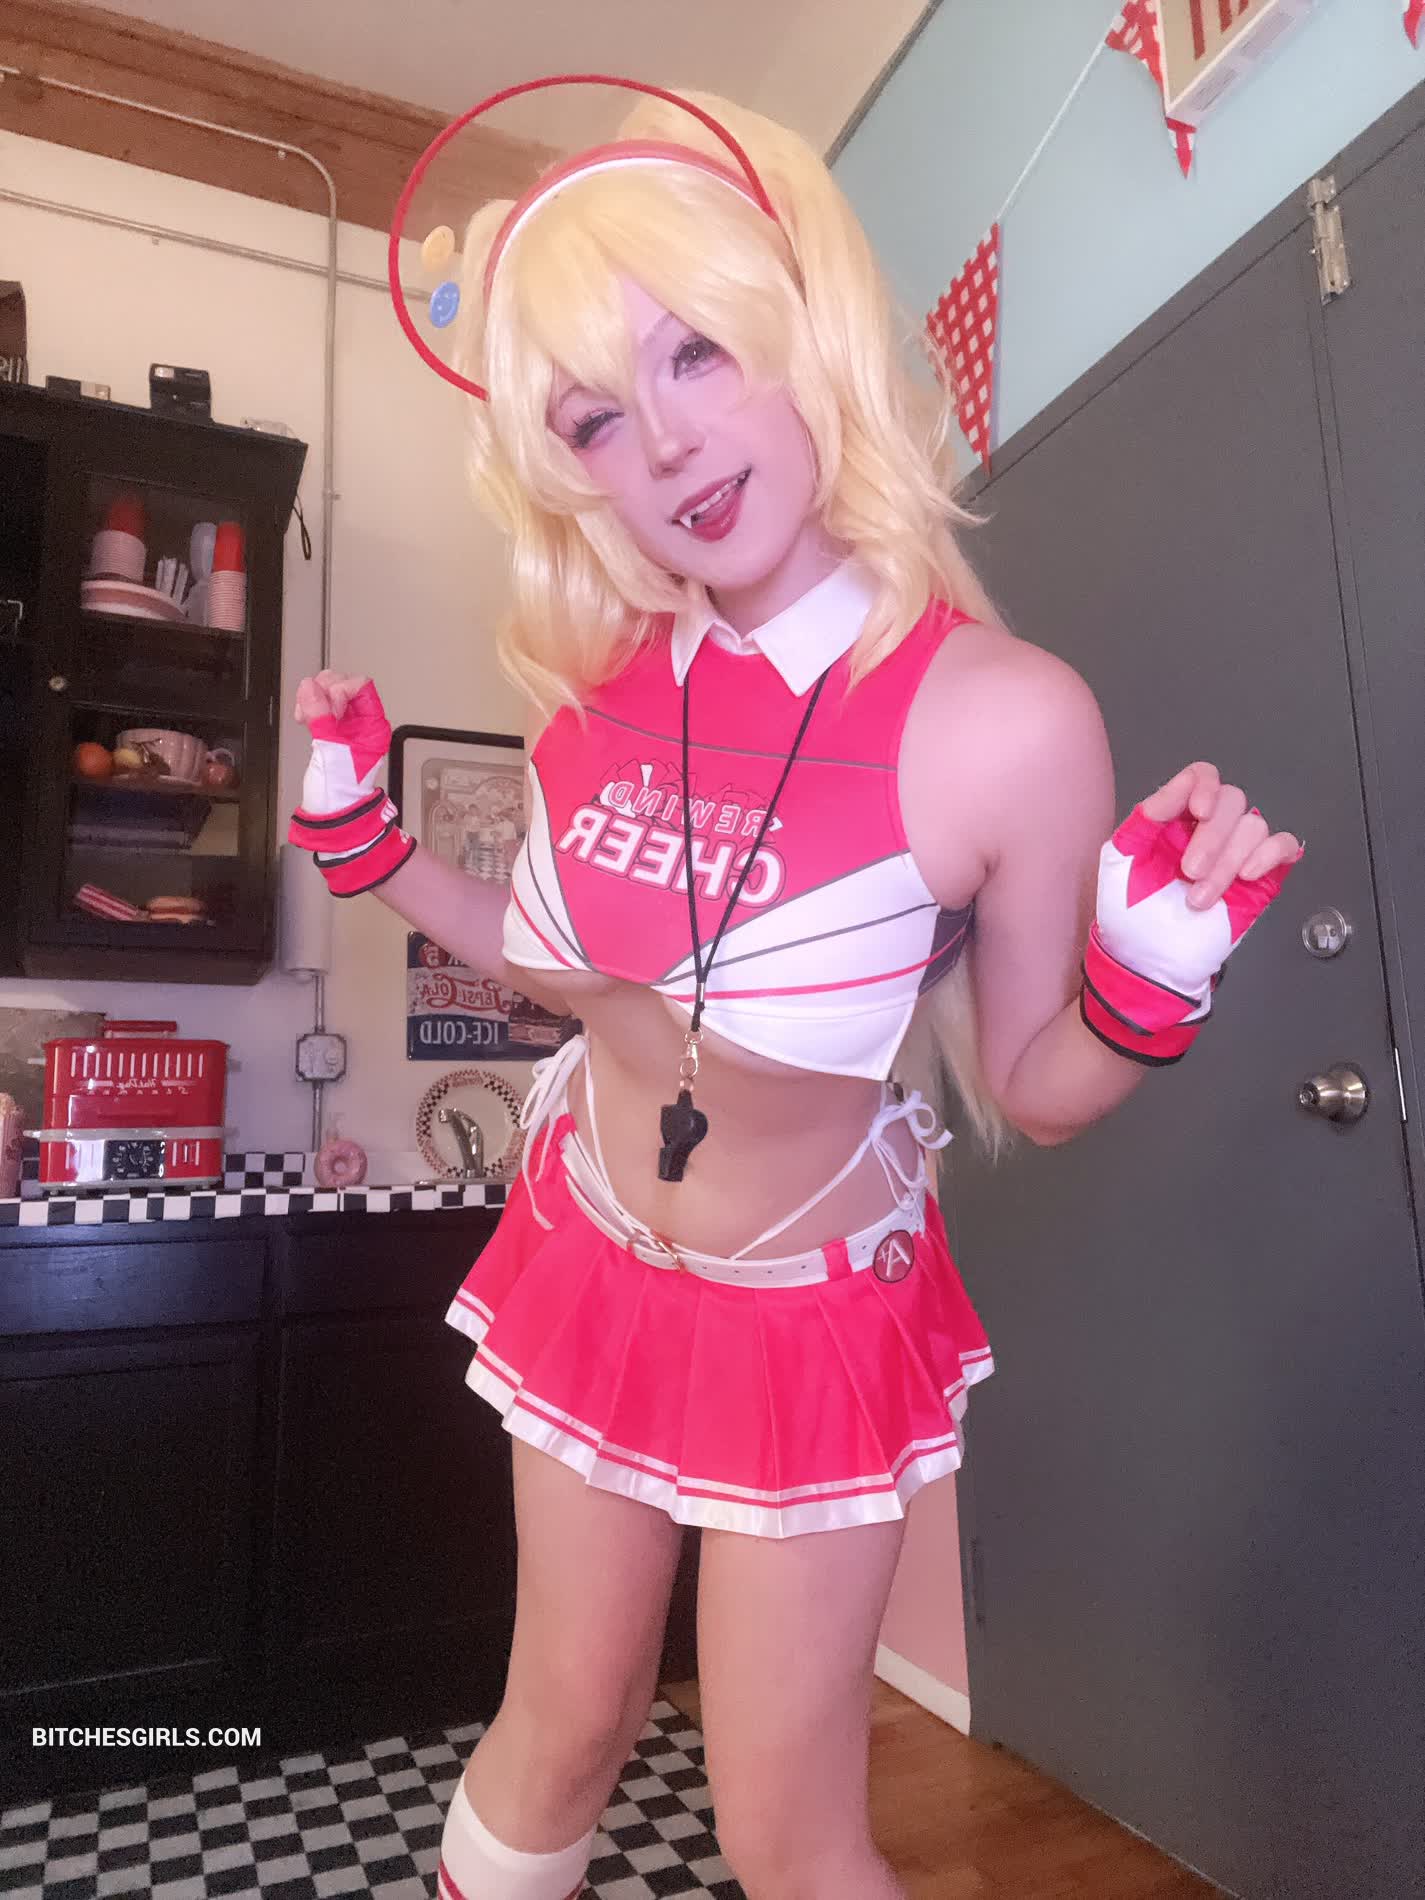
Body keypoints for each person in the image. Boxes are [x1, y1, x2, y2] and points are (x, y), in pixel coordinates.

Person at [288, 81, 1300, 1900]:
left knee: (785, 1836)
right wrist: (372, 852)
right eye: (596, 416)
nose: (665, 443)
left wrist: (1147, 979)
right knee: (559, 1730)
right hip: (592, 1252)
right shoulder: (593, 684)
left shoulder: (1003, 720)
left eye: (694, 351)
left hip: (805, 1321)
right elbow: (583, 990)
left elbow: (1034, 1082)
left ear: (800, 327)